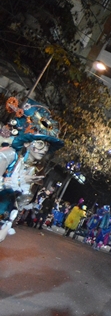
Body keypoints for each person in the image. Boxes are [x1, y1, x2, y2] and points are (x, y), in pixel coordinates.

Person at [0, 100, 63, 240]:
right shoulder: (8, 155)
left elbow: (17, 201)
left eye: (47, 146)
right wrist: (17, 181)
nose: (45, 149)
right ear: (27, 142)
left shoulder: (28, 168)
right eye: (40, 144)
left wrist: (9, 221)